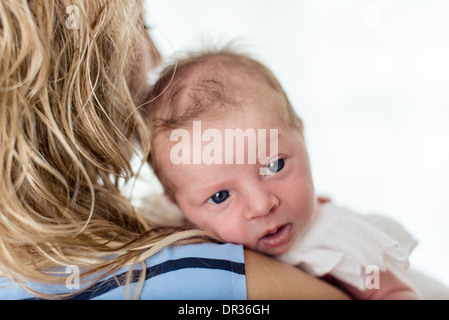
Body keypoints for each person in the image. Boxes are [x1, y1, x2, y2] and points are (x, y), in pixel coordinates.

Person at [0, 0, 350, 300]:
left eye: (274, 165)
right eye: (142, 25)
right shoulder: (194, 272)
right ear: (83, 74)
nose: (156, 54)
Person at [141, 48, 423, 300]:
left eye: (275, 165)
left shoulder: (334, 241)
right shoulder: (175, 242)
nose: (262, 204)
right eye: (221, 196)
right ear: (177, 205)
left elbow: (396, 292)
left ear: (299, 132)